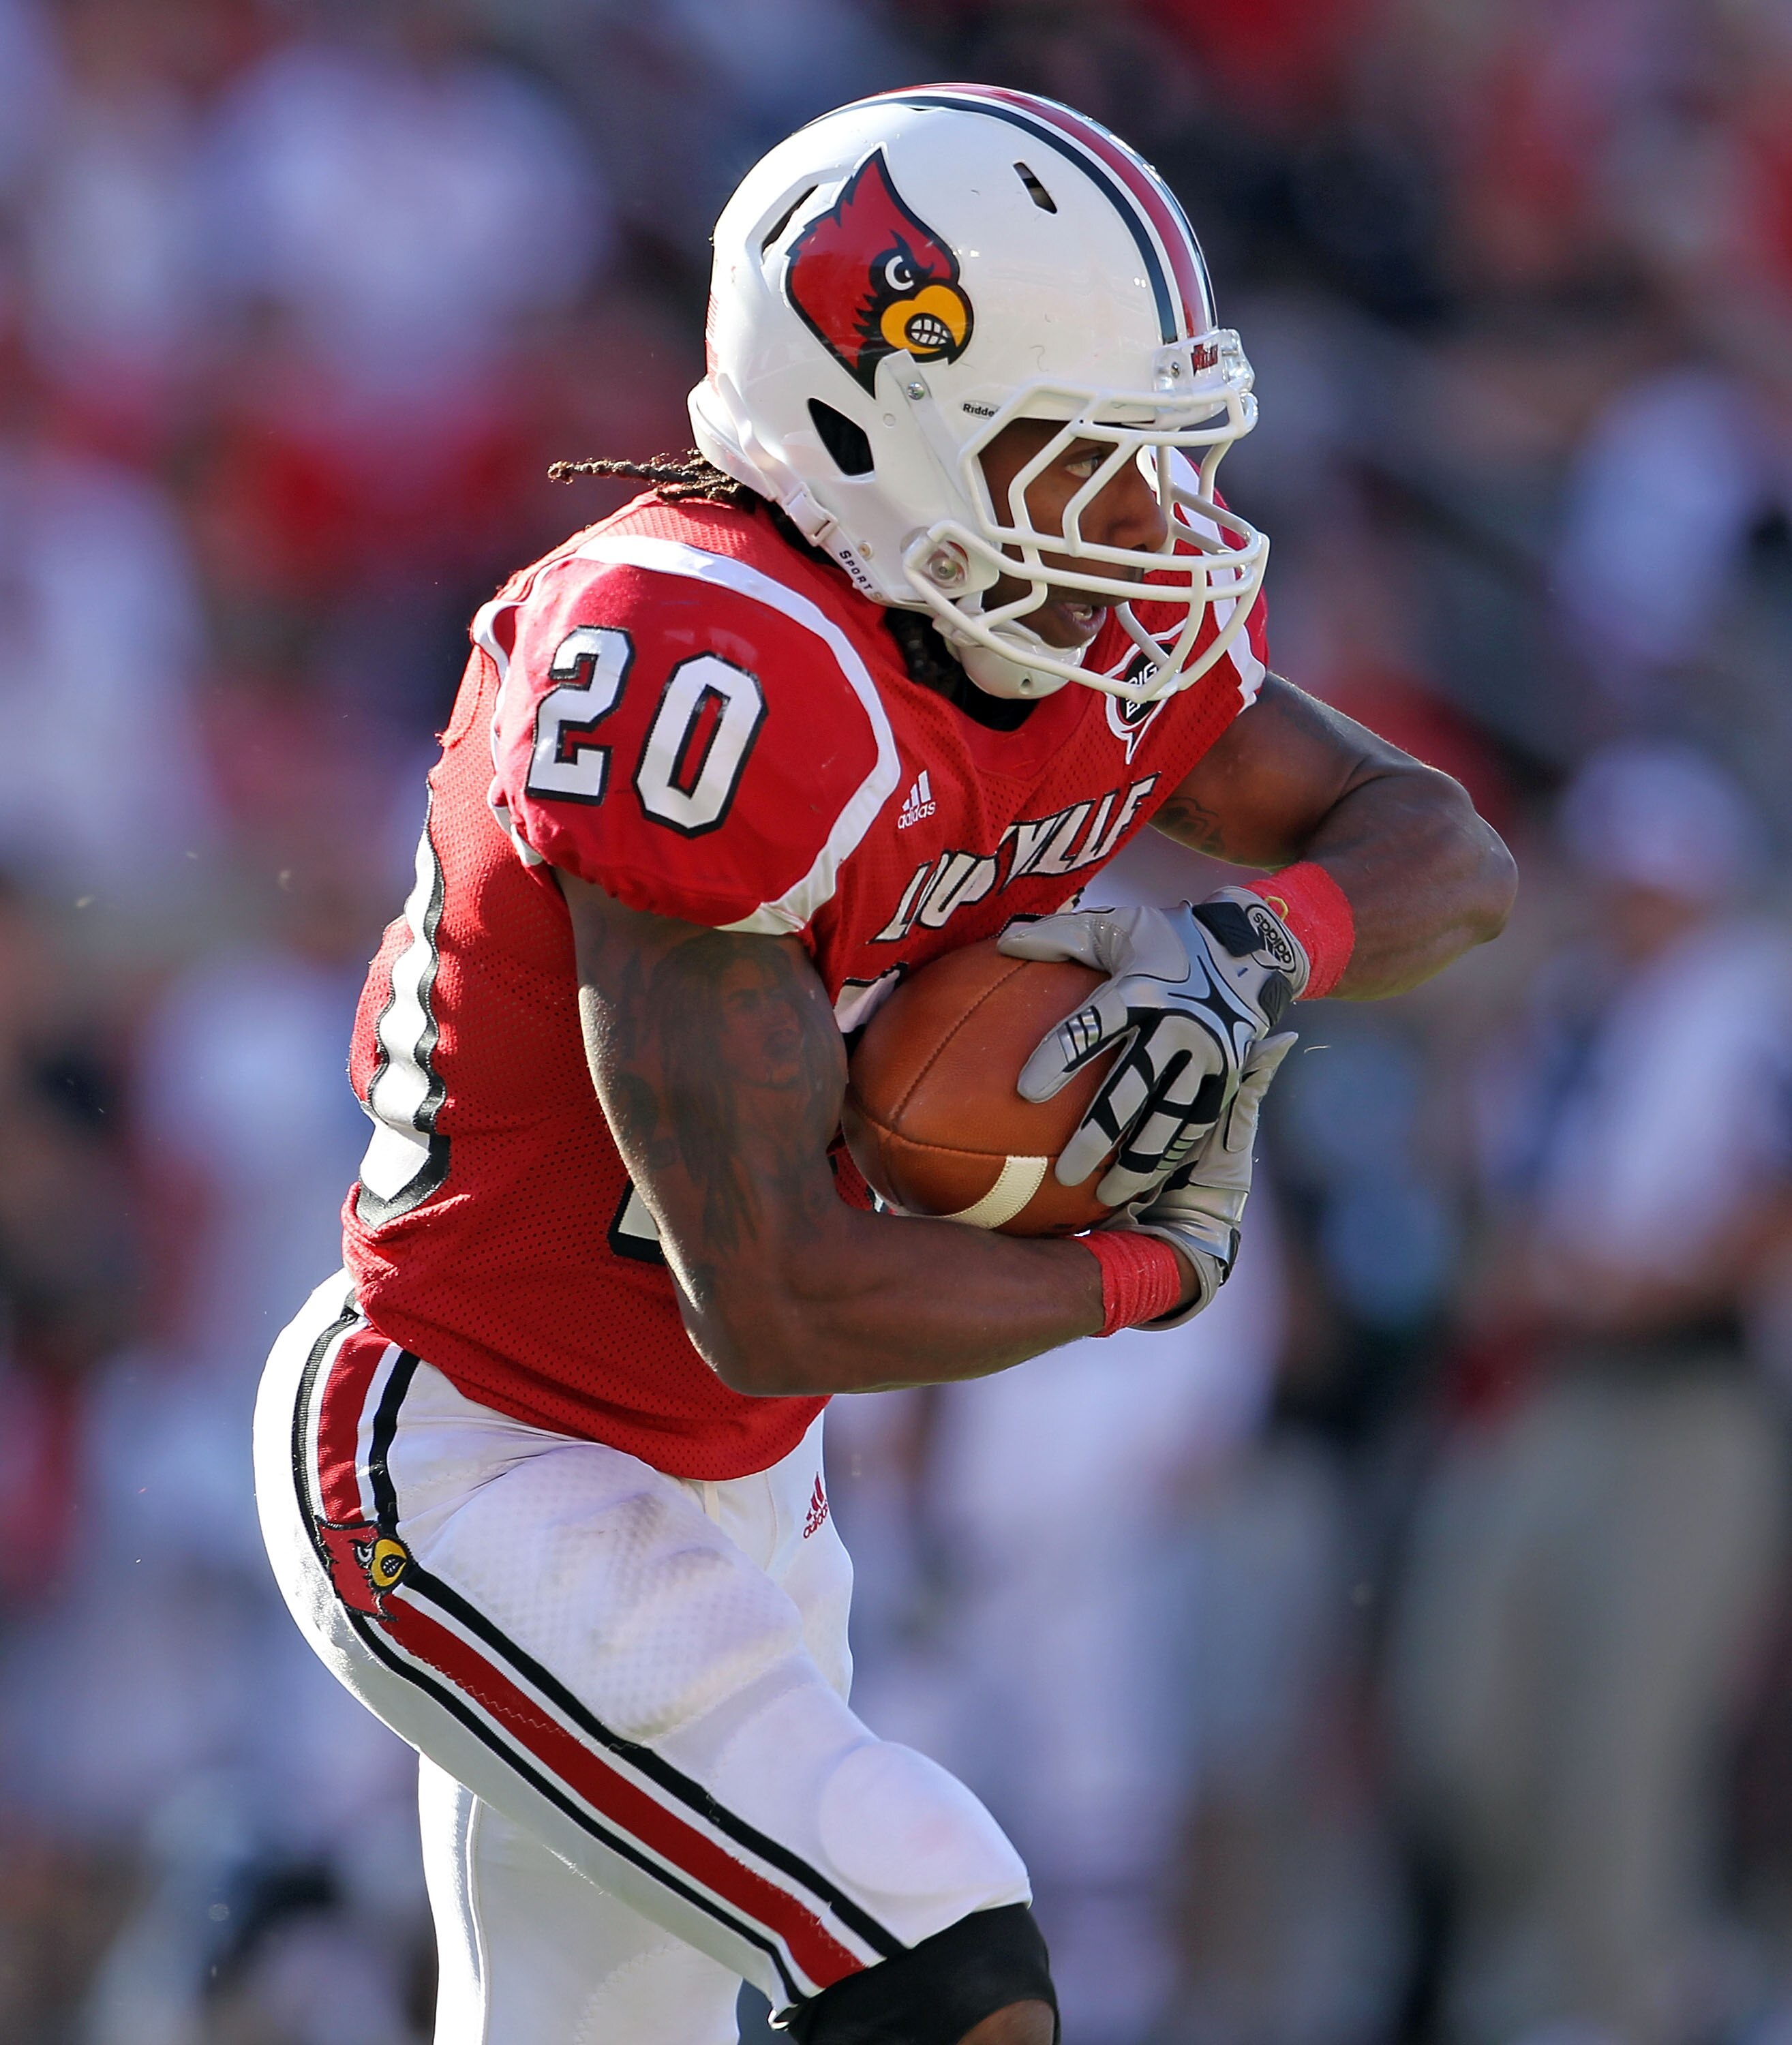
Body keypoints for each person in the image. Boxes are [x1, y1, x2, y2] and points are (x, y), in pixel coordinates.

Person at [252, 86, 1513, 2045]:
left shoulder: (1073, 627)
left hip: (744, 1495)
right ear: (869, 419)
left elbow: (1440, 844)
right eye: (1074, 459)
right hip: (483, 1448)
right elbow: (769, 1294)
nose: (1139, 530)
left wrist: (1258, 954)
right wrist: (1144, 1270)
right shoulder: (703, 667)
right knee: (940, 1935)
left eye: (1150, 464)